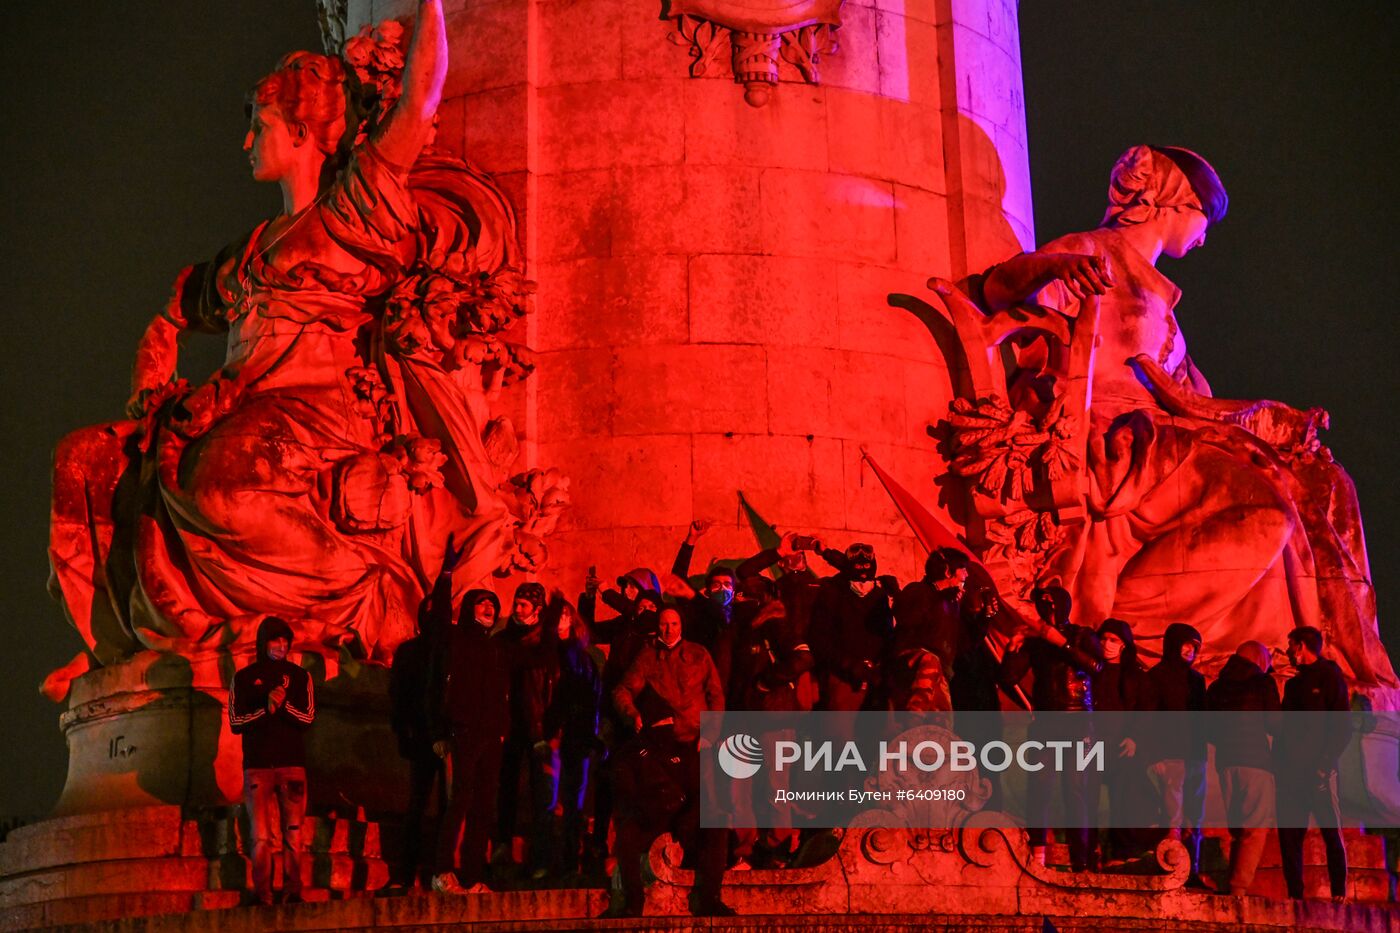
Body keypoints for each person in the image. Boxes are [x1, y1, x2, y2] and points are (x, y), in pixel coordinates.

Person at [49, 0, 540, 665]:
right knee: (84, 460)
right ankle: (121, 650)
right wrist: (152, 374)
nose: (246, 142)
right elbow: (170, 313)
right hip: (240, 406)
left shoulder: (351, 210)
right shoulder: (248, 249)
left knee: (216, 483)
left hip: (317, 410)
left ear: (304, 131)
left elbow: (420, 98)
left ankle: (366, 587)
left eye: (259, 125)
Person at [976, 145, 1394, 694]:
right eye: (1204, 218)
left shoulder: (1165, 300)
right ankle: (1127, 637)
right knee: (1267, 510)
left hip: (1170, 437)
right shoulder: (1092, 253)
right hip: (1119, 439)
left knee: (1323, 482)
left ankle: (1325, 656)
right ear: (1174, 201)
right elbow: (997, 288)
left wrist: (1283, 424)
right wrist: (1054, 266)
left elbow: (1198, 400)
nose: (1203, 237)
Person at [608, 607, 731, 917]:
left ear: (682, 625)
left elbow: (715, 694)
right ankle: (633, 901)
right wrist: (632, 714)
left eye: (674, 623)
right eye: (663, 624)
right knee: (635, 821)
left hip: (697, 745)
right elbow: (622, 690)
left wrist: (711, 733)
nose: (669, 630)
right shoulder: (647, 655)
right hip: (660, 747)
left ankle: (710, 896)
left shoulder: (699, 653)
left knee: (713, 817)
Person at [999, 585, 1102, 872]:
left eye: (1051, 604)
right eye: (1042, 604)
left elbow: (1096, 666)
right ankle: (1037, 857)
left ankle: (1081, 862)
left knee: (1076, 791)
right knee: (1039, 789)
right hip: (1045, 722)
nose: (1048, 609)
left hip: (1079, 721)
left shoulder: (1083, 635)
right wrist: (1011, 649)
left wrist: (1062, 643)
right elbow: (1007, 677)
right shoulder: (1036, 642)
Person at [388, 535, 469, 888]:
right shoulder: (410, 653)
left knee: (447, 806)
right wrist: (404, 733)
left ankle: (439, 870)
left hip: (448, 736)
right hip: (424, 738)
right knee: (420, 805)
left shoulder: (452, 650)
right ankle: (408, 874)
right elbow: (399, 698)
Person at [427, 564, 508, 894]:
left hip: (491, 734)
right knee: (459, 800)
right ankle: (442, 869)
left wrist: (503, 728)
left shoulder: (494, 647)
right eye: (482, 603)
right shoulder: (457, 639)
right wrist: (446, 577)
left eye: (492, 604)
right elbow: (439, 618)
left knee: (484, 806)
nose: (489, 608)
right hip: (464, 730)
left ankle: (474, 874)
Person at [228, 616, 316, 905]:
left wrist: (282, 705)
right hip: (257, 768)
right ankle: (263, 892)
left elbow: (308, 718)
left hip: (292, 766)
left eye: (285, 640)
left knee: (294, 833)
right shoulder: (243, 678)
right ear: (262, 642)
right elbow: (236, 721)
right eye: (275, 640)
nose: (281, 646)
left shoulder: (301, 676)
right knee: (261, 836)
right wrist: (267, 708)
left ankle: (292, 890)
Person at [1275, 626, 1352, 902]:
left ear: (1302, 646)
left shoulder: (1330, 676)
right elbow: (1285, 729)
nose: (1287, 651)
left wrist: (1325, 764)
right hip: (1291, 773)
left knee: (1331, 830)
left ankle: (1339, 893)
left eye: (1290, 644)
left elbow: (1343, 726)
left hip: (1319, 771)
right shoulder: (1294, 685)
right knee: (1289, 834)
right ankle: (1295, 894)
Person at [1205, 640, 1281, 896]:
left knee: (1238, 828)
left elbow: (1209, 728)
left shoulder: (1217, 687)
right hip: (1256, 761)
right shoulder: (1263, 683)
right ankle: (1239, 887)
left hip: (1226, 762)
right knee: (1255, 827)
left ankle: (1232, 882)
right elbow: (1273, 723)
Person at [496, 582, 558, 879]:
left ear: (537, 609)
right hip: (509, 726)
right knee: (505, 790)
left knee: (541, 795)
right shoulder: (503, 641)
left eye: (524, 604)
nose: (518, 609)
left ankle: (541, 858)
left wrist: (550, 728)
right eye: (516, 603)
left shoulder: (546, 644)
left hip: (539, 727)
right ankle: (501, 846)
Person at [1140, 622, 1208, 885]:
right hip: (1170, 754)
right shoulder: (1156, 677)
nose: (1190, 650)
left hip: (1196, 755)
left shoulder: (1197, 680)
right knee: (1173, 817)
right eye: (1186, 644)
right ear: (1173, 645)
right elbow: (1149, 717)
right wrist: (1154, 755)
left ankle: (1193, 870)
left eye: (1195, 646)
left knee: (1195, 817)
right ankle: (1173, 869)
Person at [542, 598, 604, 879]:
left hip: (574, 738)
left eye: (567, 614)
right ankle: (552, 860)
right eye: (558, 615)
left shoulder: (582, 657)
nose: (562, 620)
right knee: (550, 798)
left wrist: (590, 735)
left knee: (571, 800)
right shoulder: (544, 653)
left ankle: (570, 860)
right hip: (552, 735)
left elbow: (588, 697)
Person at [808, 543, 897, 713]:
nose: (862, 570)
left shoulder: (880, 595)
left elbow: (887, 635)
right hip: (843, 678)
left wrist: (881, 667)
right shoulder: (832, 592)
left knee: (878, 734)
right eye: (858, 565)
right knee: (841, 733)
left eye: (866, 565)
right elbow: (819, 638)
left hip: (876, 679)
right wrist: (847, 664)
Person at [1091, 618, 1152, 866]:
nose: (1107, 644)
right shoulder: (1090, 670)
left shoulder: (1135, 676)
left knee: (1126, 795)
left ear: (1124, 645)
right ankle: (1088, 849)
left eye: (1113, 640)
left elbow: (1145, 709)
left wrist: (1133, 737)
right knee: (1085, 796)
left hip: (1121, 745)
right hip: (1092, 743)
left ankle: (1122, 851)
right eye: (1103, 639)